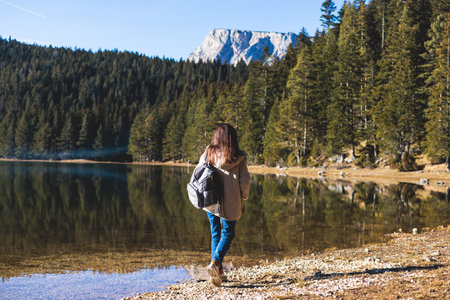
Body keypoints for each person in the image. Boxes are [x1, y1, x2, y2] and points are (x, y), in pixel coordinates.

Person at [197, 123, 250, 287]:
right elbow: (245, 181)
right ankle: (216, 263)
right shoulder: (239, 157)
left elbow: (199, 172)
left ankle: (217, 272)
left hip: (211, 199)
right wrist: (244, 198)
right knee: (228, 233)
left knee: (216, 233)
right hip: (231, 201)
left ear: (216, 137)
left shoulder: (208, 153)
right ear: (232, 139)